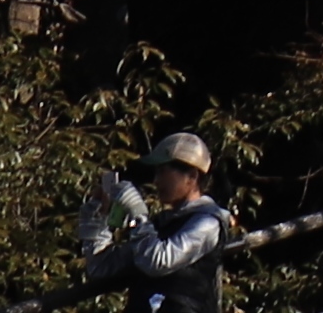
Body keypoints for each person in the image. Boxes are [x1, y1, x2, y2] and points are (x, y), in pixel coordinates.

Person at [68, 130, 231, 313]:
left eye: (163, 172)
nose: (156, 180)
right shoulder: (162, 224)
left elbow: (158, 262)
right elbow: (101, 267)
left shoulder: (208, 223)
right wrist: (97, 216)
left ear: (192, 176)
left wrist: (138, 216)